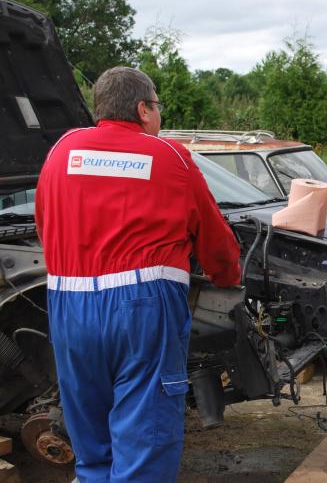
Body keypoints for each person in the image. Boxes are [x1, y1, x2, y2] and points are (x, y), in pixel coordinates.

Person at [35, 67, 242, 482]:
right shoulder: (168, 155)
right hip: (142, 306)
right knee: (144, 436)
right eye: (157, 106)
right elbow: (213, 237)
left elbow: (45, 222)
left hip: (69, 303)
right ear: (143, 109)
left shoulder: (62, 150)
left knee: (91, 442)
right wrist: (226, 274)